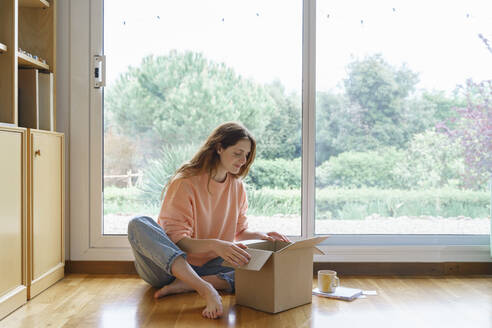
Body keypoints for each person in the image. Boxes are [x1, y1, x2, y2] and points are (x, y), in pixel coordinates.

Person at [127, 122, 290, 319]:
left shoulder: (237, 187)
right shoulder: (185, 182)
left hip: (212, 265)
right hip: (169, 268)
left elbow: (239, 230)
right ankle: (205, 287)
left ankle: (192, 284)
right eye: (238, 153)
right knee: (138, 223)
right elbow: (177, 240)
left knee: (261, 267)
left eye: (246, 155)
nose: (243, 160)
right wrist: (216, 245)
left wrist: (262, 236)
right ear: (219, 148)